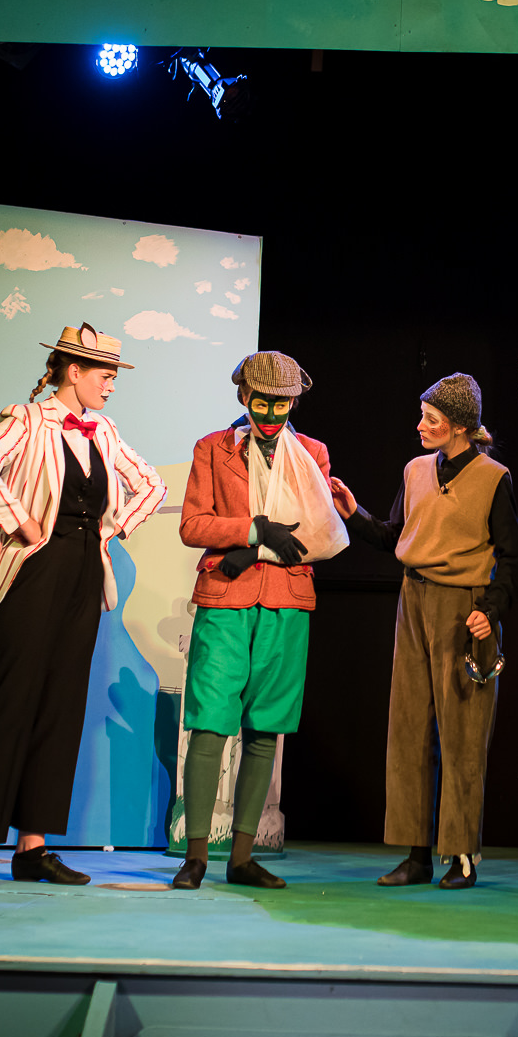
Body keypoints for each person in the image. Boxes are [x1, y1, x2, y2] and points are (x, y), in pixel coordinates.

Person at [0, 323, 167, 891]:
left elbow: (151, 485)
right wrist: (18, 519)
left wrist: (111, 530)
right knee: (13, 702)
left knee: (62, 706)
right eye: (105, 375)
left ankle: (33, 847)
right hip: (33, 569)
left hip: (83, 573)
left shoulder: (104, 431)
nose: (111, 386)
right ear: (74, 371)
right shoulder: (27, 420)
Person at [331, 373, 518, 890]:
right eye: (422, 416)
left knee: (463, 734)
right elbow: (397, 535)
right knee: (409, 728)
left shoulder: (492, 478)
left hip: (464, 608)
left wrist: (491, 611)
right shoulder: (416, 470)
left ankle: (461, 855)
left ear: (460, 427)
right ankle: (415, 854)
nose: (420, 426)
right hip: (412, 601)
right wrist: (355, 514)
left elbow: (513, 557)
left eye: (431, 419)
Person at [173, 351, 350, 890]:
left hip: (286, 600)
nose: (271, 416)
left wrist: (255, 550)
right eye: (261, 403)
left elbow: (316, 532)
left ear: (294, 403)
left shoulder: (311, 453)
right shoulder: (213, 448)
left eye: (281, 404)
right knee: (210, 721)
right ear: (244, 397)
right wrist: (251, 530)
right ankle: (196, 854)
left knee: (266, 726)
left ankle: (242, 857)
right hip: (226, 599)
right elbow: (193, 525)